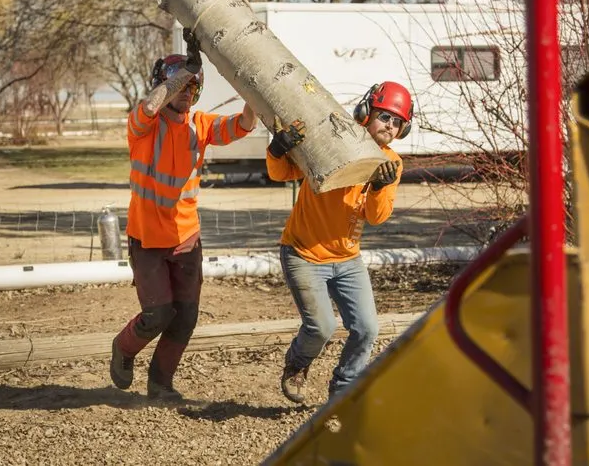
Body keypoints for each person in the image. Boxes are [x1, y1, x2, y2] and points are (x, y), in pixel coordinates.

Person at [110, 32, 257, 403]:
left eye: (193, 86)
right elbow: (149, 107)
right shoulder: (142, 125)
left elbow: (242, 124)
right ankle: (124, 348)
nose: (186, 92)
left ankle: (160, 384)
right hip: (146, 240)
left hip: (186, 239)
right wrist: (185, 71)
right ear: (163, 86)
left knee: (186, 316)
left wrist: (256, 93)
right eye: (179, 85)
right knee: (158, 313)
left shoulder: (201, 124)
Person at [266, 80, 412, 404]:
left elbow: (377, 217)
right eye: (384, 116)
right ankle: (297, 365)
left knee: (367, 329)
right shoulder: (333, 139)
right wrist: (278, 150)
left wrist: (376, 188)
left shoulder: (390, 164)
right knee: (321, 326)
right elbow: (281, 173)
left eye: (397, 122)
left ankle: (343, 390)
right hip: (304, 253)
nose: (389, 125)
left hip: (347, 259)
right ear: (366, 112)